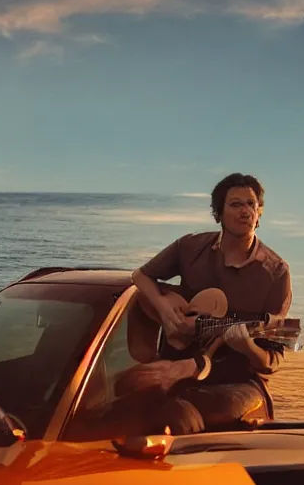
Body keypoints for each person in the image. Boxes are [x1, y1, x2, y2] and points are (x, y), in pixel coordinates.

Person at [125, 172, 293, 435]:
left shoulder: (276, 272)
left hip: (237, 381)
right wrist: (165, 308)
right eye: (236, 204)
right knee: (121, 395)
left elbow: (272, 360)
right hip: (176, 366)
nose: (246, 211)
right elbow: (140, 276)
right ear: (218, 213)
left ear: (259, 212)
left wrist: (247, 347)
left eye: (251, 204)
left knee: (181, 411)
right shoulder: (190, 247)